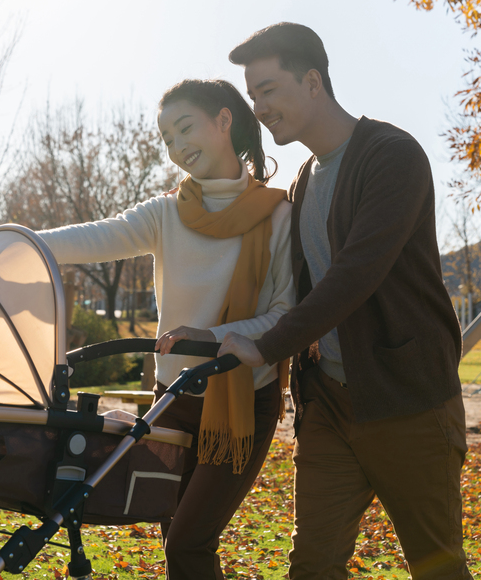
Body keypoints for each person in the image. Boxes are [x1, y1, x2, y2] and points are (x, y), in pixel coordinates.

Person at [216, 23, 473, 580]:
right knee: (311, 566)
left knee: (437, 567)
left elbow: (358, 274)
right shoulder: (305, 180)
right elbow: (302, 288)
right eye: (252, 95)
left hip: (408, 399)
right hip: (329, 405)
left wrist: (266, 347)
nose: (258, 107)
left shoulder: (392, 156)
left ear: (312, 81)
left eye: (268, 89)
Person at [34, 78, 295, 580]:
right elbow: (96, 237)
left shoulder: (278, 216)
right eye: (167, 139)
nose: (177, 148)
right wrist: (21, 241)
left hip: (241, 401)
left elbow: (285, 314)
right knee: (177, 536)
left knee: (188, 543)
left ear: (224, 121)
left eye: (184, 129)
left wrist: (209, 338)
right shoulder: (167, 213)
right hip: (170, 399)